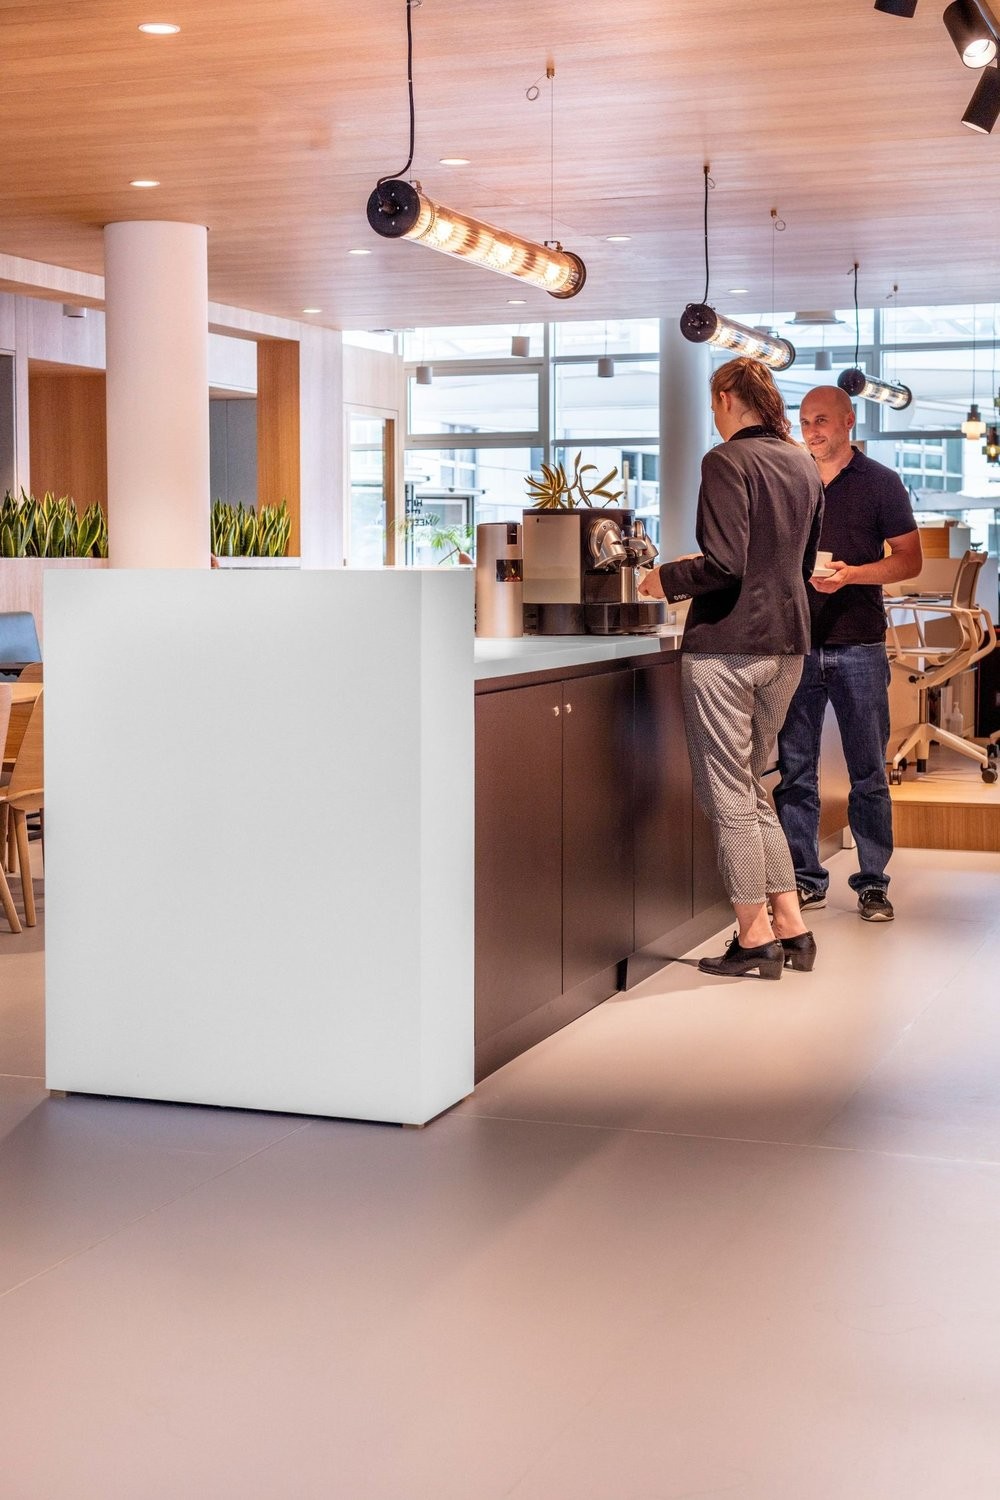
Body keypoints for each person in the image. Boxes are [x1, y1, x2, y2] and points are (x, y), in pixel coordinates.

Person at [639, 356, 824, 981]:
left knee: (729, 794)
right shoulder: (802, 462)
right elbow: (801, 565)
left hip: (727, 647)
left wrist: (663, 578)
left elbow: (724, 564)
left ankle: (752, 935)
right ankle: (791, 925)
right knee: (751, 784)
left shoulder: (726, 461)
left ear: (724, 398)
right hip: (788, 644)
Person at [773, 384, 922, 923]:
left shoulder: (880, 482)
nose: (811, 431)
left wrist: (853, 575)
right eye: (804, 421)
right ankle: (804, 879)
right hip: (796, 645)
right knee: (796, 771)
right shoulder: (792, 478)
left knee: (868, 773)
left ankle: (873, 883)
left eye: (821, 420)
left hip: (859, 642)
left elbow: (909, 560)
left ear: (848, 421)